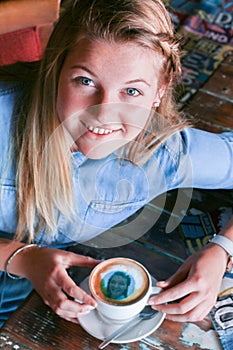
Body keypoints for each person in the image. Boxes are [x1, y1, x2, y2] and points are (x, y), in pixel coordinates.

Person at [0, 0, 232, 327]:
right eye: (85, 81)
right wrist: (21, 259)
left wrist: (221, 251)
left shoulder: (164, 154)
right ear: (56, 68)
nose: (103, 111)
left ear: (158, 92)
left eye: (132, 91)